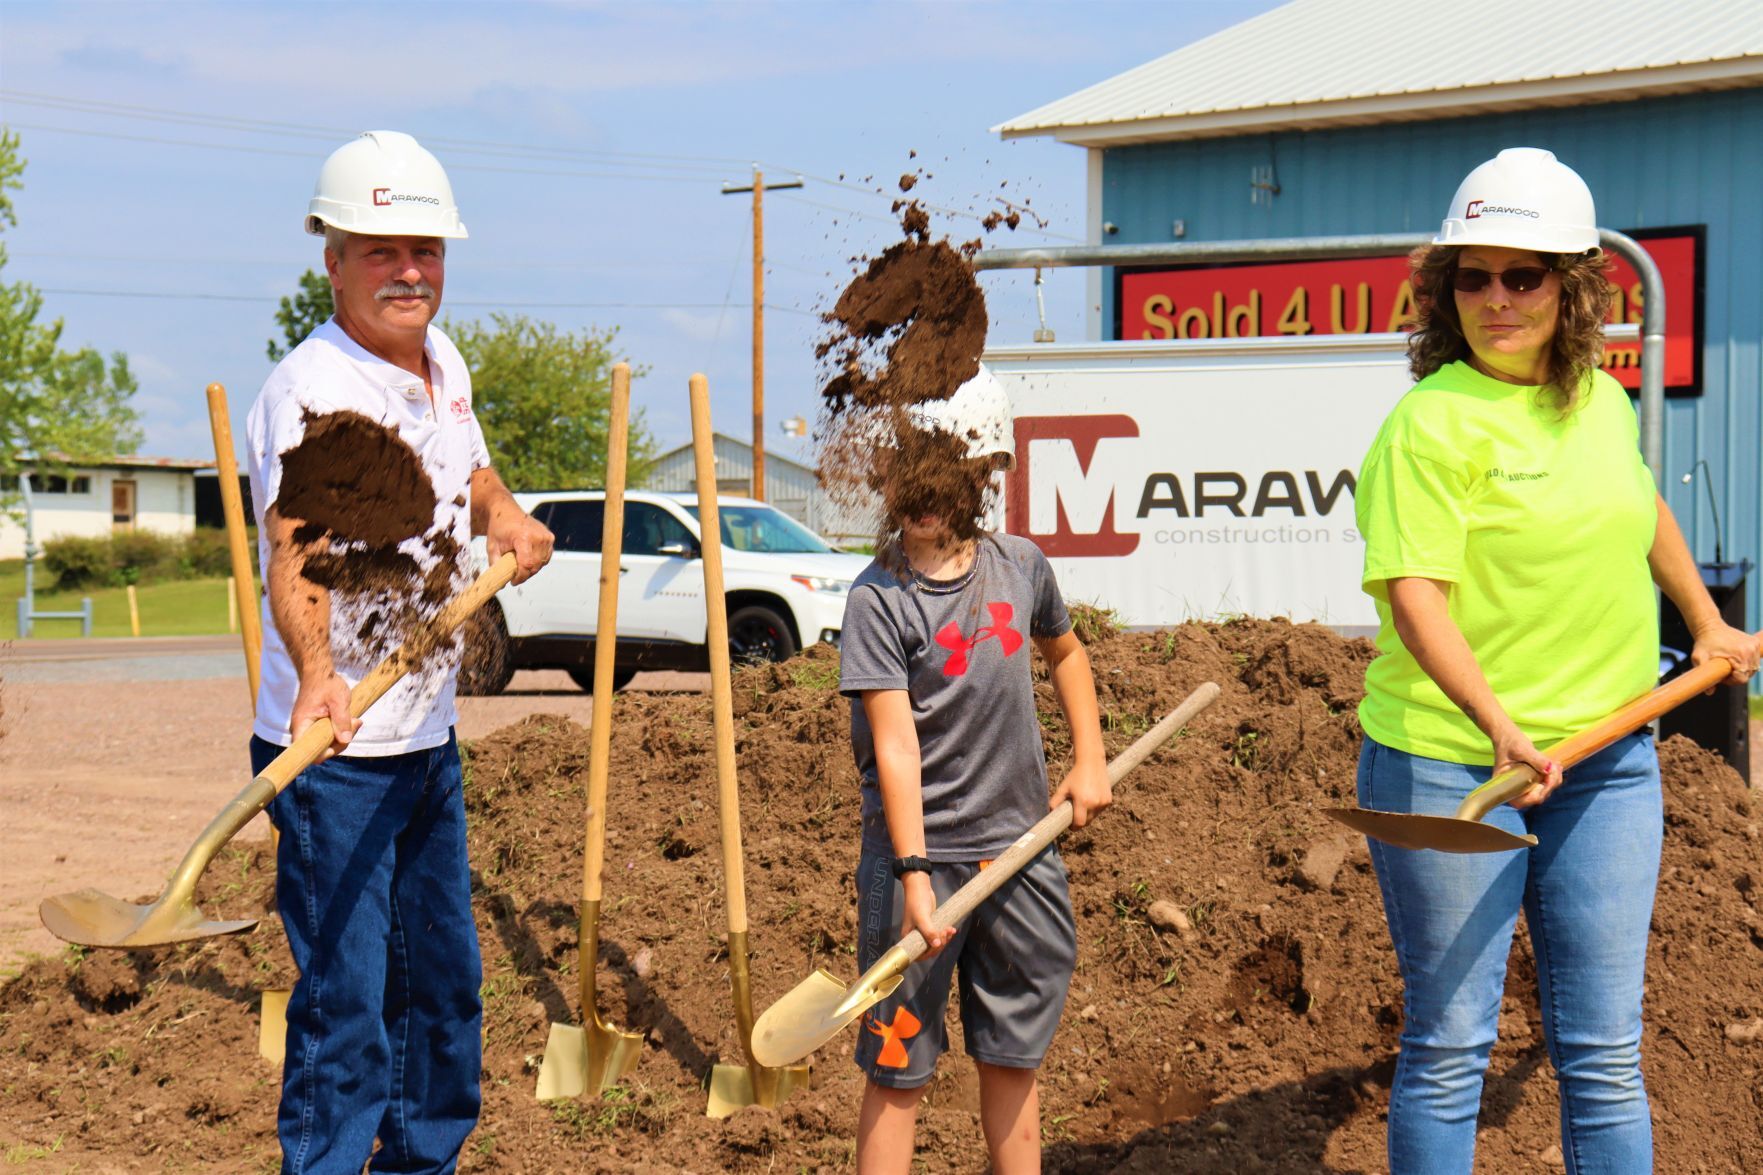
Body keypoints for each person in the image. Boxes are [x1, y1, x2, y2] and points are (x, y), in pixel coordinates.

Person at [1353, 146, 1759, 1174]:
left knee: (1602, 1055)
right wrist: (1497, 724)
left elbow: (1640, 508)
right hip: (1455, 763)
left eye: (1522, 275)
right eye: (1473, 276)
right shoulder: (1426, 425)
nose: (1496, 297)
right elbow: (1413, 597)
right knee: (1449, 1051)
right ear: (1445, 292)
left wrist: (1703, 622)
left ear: (1571, 286)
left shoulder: (1601, 405)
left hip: (1607, 760)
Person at [244, 131, 552, 1174]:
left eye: (424, 247)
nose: (409, 270)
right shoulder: (310, 391)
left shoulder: (440, 363)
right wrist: (320, 677)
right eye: (380, 250)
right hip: (334, 756)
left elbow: (470, 468)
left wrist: (504, 514)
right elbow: (295, 555)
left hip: (425, 739)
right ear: (330, 257)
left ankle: (422, 1163)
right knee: (345, 1008)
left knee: (445, 992)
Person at [835, 365, 1110, 1175]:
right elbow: (894, 744)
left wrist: (1088, 756)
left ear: (987, 473)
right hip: (917, 868)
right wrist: (915, 876)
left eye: (947, 480)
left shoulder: (1019, 565)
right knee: (898, 1064)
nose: (924, 500)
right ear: (883, 471)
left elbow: (1065, 652)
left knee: (1014, 1052)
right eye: (907, 476)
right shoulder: (878, 599)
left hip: (1020, 851)